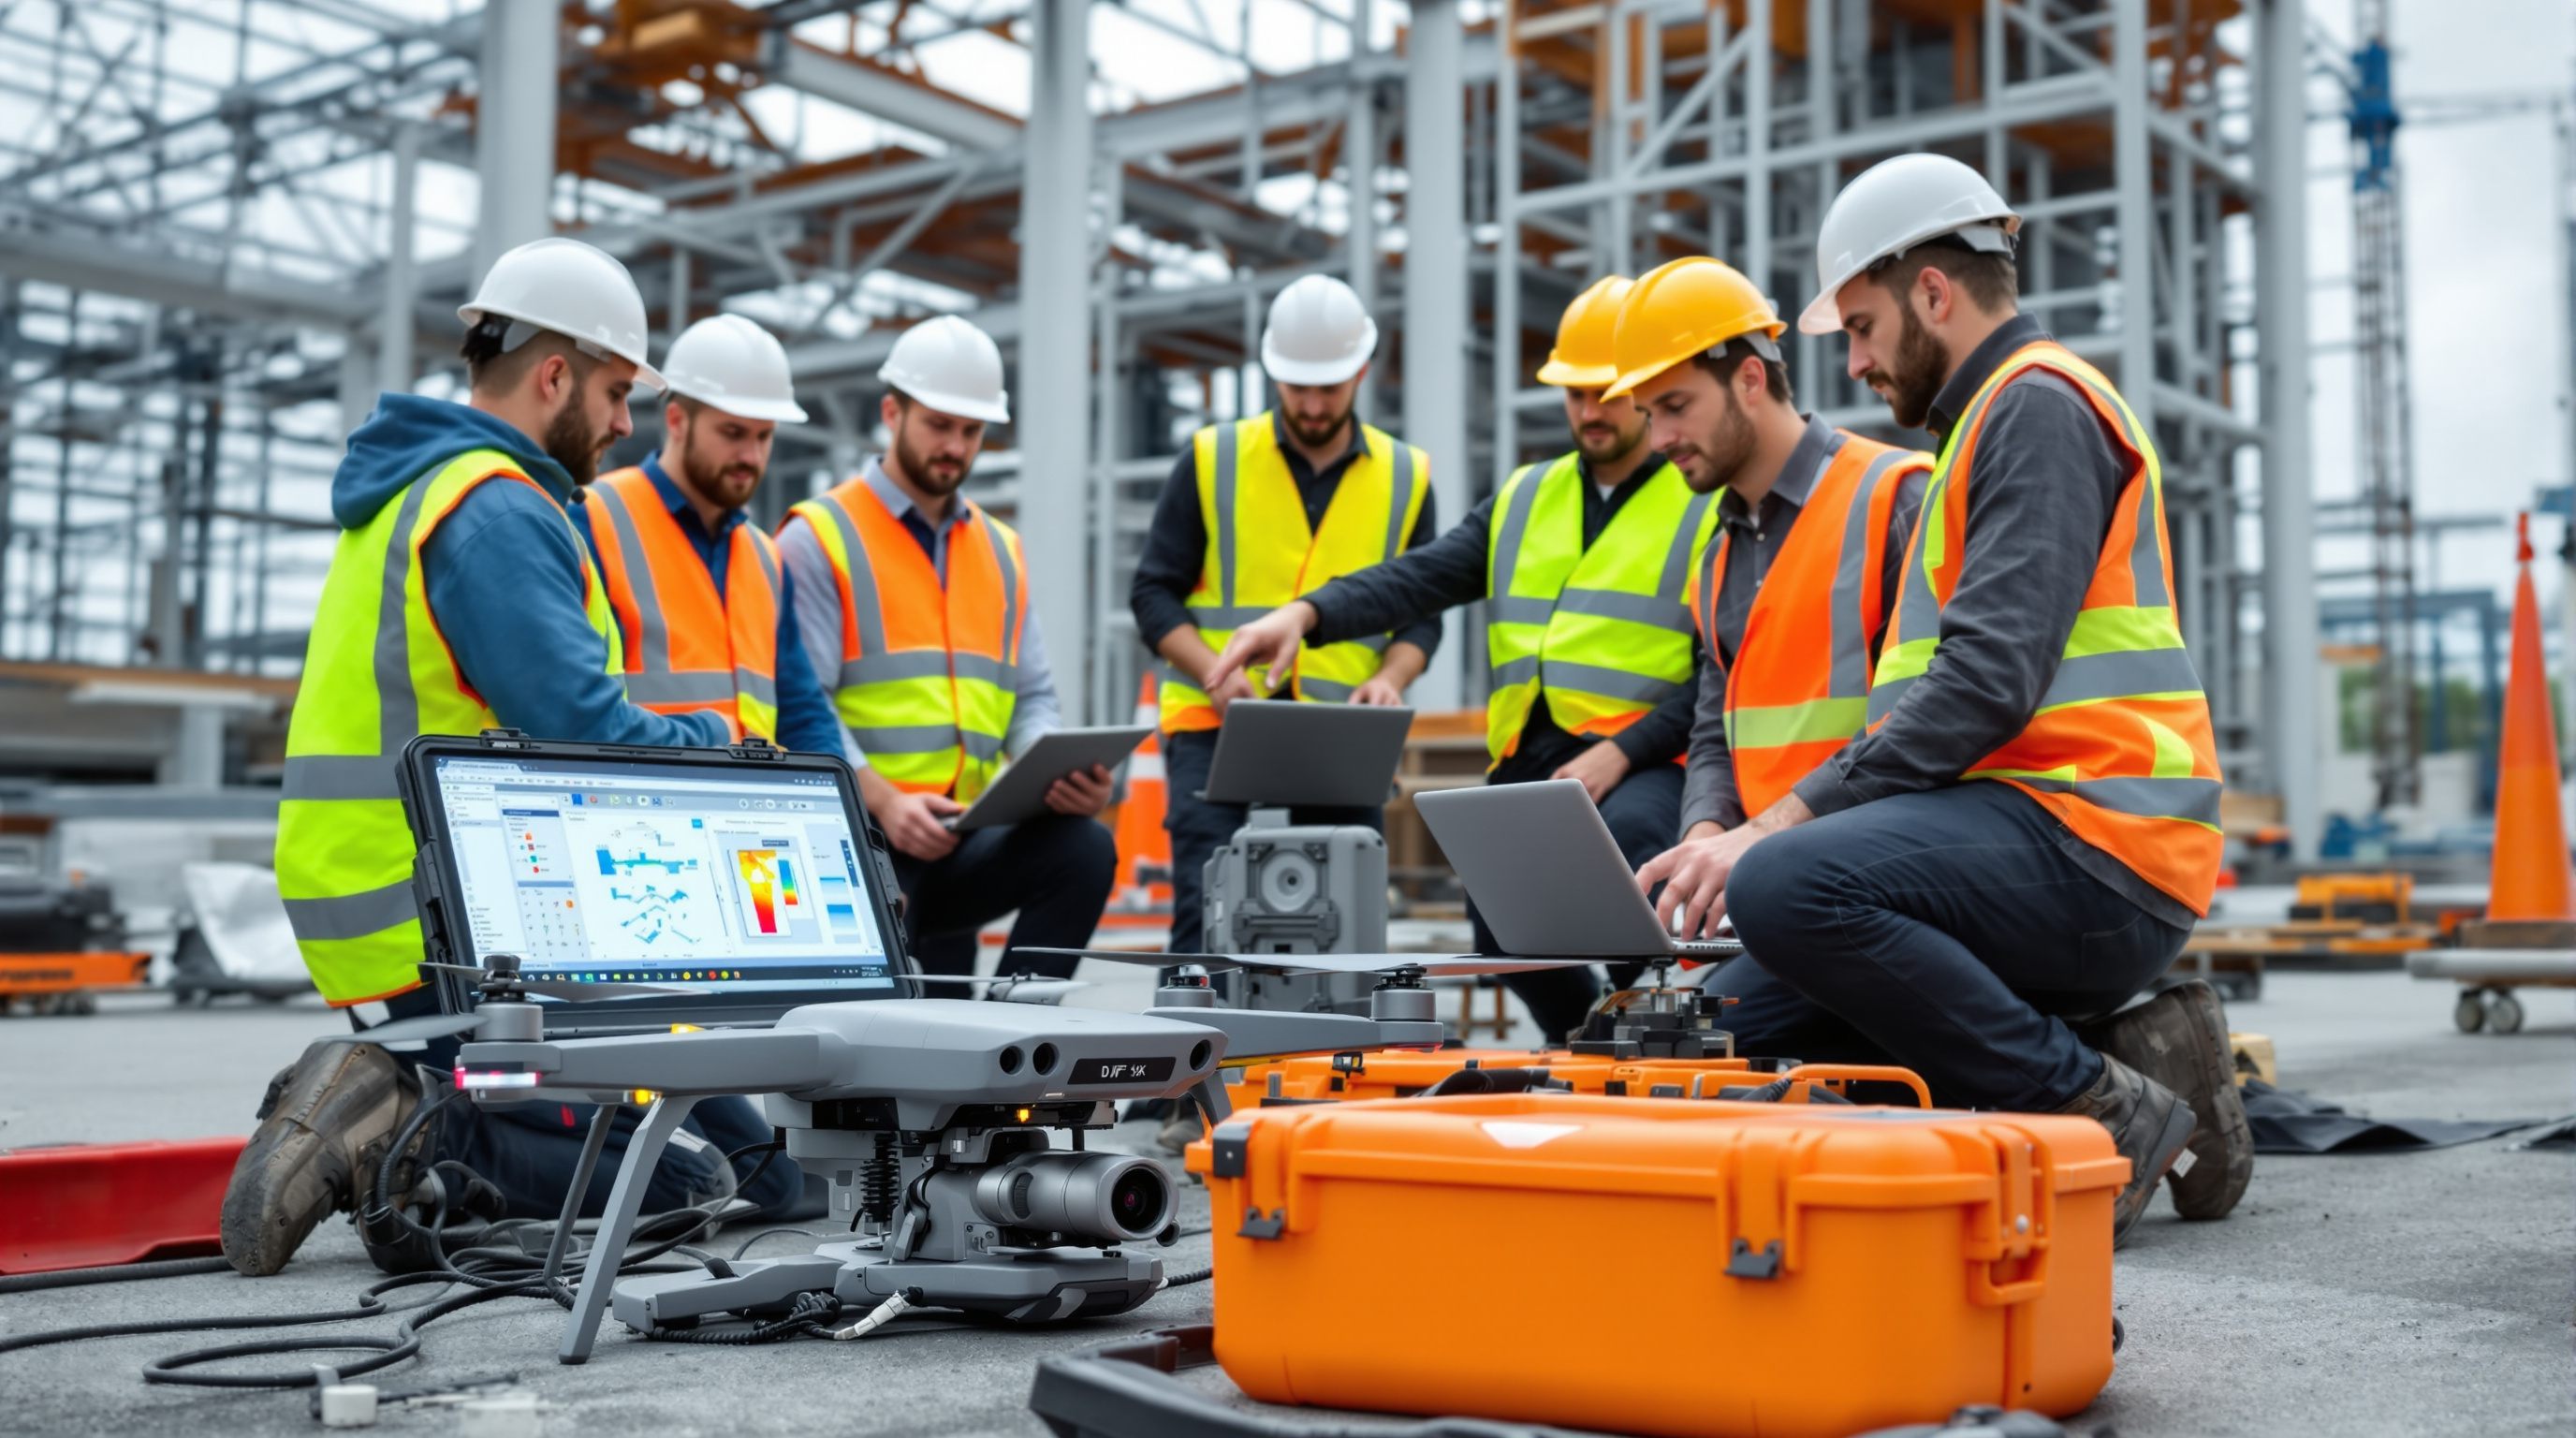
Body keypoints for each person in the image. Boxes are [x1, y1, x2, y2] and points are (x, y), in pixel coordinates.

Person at [1635, 154, 2253, 1239]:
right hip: (2033, 832)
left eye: (1865, 327)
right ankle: (2142, 1058)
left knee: (1788, 889)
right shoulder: (1982, 427)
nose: (1860, 362)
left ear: (1932, 293)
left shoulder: (2039, 409)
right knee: (1720, 1025)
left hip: (2101, 841)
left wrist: (1769, 832)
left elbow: (1986, 683)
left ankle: (2097, 1111)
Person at [232, 240, 797, 1279]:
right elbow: (588, 734)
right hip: (436, 934)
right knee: (692, 1182)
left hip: (465, 914)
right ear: (554, 377)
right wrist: (717, 743)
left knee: (768, 1172)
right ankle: (406, 1117)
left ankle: (424, 1156)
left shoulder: (450, 492)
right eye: (619, 392)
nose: (625, 424)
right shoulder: (490, 509)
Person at [1206, 275, 1708, 1041]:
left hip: (1646, 757)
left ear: (1644, 389)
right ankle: (1593, 1044)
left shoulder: (1698, 502)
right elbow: (1416, 577)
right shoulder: (1524, 496)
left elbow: (1719, 673)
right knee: (1499, 925)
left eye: (1606, 392)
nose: (1588, 411)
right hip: (1530, 757)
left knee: (1635, 867)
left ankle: (1651, 1036)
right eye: (1573, 393)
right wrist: (1306, 616)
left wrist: (1621, 753)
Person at [777, 315, 1115, 980]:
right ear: (891, 412)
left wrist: (1050, 769)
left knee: (1084, 850)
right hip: (866, 844)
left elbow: (1032, 694)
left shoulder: (1001, 549)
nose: (954, 446)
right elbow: (799, 702)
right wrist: (884, 801)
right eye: (938, 424)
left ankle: (1017, 1044)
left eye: (971, 431)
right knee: (898, 1057)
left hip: (963, 834)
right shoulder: (818, 538)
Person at [1605, 254, 1932, 935]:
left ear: (1750, 378)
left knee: (1718, 1036)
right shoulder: (1718, 558)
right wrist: (1702, 844)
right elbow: (1714, 731)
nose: (1658, 438)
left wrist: (1755, 843)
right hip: (1758, 885)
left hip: (1871, 887)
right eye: (1647, 413)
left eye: (1675, 406)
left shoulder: (1895, 498)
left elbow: (1925, 725)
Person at [1129, 273, 1439, 957]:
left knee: (1344, 919)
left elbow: (1423, 615)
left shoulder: (1406, 475)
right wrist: (1216, 670)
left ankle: (1330, 1060)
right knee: (1204, 912)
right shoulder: (1211, 460)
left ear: (1361, 370)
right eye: (1298, 386)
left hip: (1340, 726)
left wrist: (1392, 677)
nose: (1313, 403)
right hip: (1215, 715)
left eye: (1329, 386)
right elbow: (1153, 596)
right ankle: (1189, 1058)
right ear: (1273, 372)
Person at [578, 314, 844, 758]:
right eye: (733, 433)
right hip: (643, 805)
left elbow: (802, 711)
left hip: (757, 812)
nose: (751, 456)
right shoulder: (593, 518)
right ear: (678, 421)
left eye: (765, 436)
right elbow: (578, 703)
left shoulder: (766, 557)